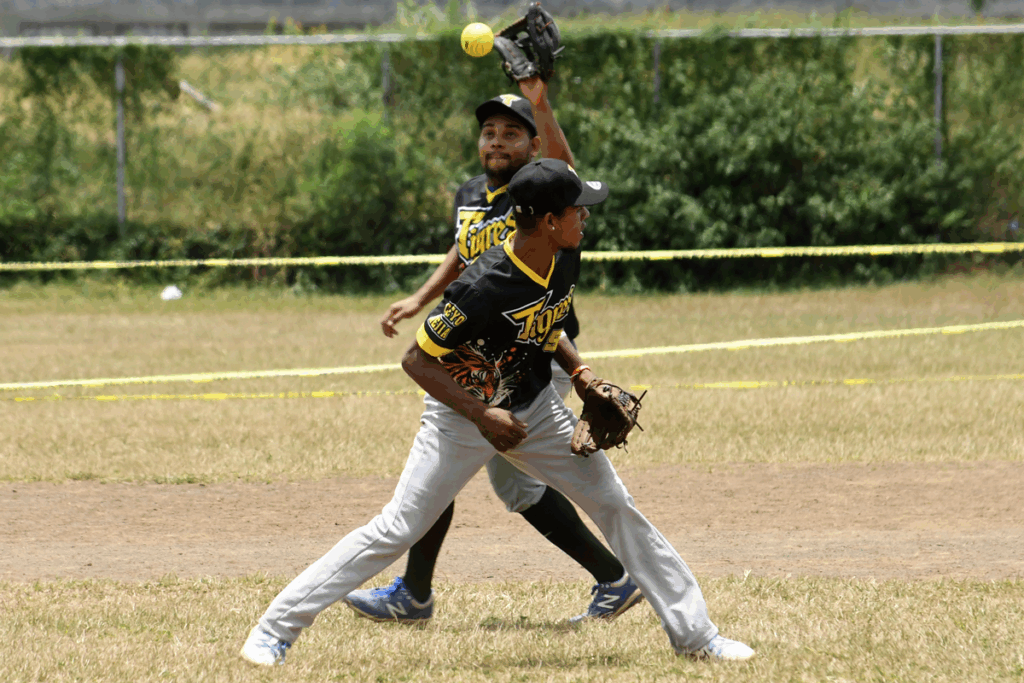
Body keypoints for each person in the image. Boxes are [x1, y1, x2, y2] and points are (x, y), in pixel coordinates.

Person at [240, 158, 756, 666]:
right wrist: (480, 413)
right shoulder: (482, 288)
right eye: (579, 209)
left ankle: (697, 636)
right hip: (458, 416)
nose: (587, 217)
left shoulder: (565, 253)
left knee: (616, 505)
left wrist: (580, 375)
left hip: (534, 407)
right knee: (396, 529)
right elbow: (416, 360)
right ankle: (273, 630)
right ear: (550, 221)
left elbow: (547, 325)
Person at [344, 79, 640, 625]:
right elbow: (463, 256)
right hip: (478, 355)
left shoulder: (535, 198)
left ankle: (612, 577)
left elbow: (568, 174)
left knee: (493, 480)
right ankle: (611, 578)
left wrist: (543, 104)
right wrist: (418, 299)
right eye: (489, 131)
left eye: (512, 132)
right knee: (504, 482)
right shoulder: (470, 196)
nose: (497, 140)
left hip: (536, 350)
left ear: (533, 148)